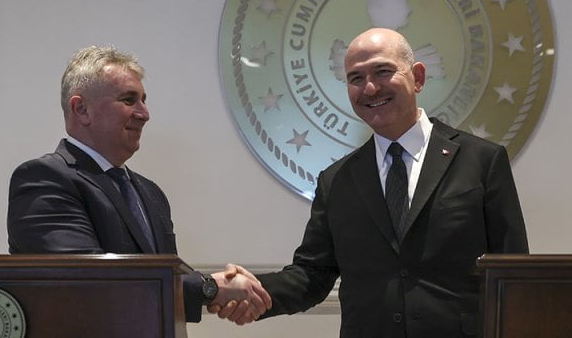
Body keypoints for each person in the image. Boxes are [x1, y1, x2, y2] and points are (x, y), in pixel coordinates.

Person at [214, 28, 529, 336]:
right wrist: (252, 289)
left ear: (417, 77)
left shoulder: (482, 161)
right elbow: (312, 275)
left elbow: (515, 279)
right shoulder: (336, 181)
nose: (369, 88)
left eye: (382, 71)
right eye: (356, 78)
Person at [7, 45, 271, 324]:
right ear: (81, 109)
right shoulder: (43, 179)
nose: (144, 114)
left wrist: (222, 288)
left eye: (143, 100)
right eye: (128, 100)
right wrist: (211, 288)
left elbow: (164, 283)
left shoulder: (150, 192)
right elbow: (85, 283)